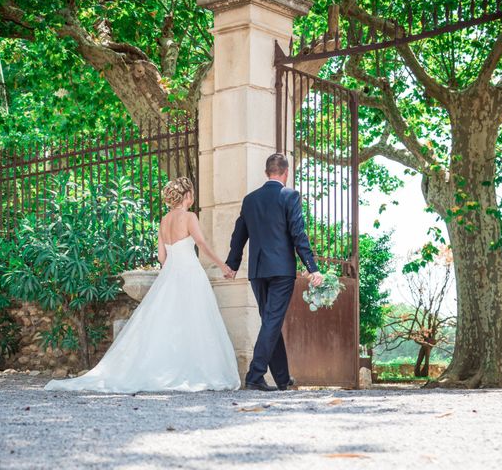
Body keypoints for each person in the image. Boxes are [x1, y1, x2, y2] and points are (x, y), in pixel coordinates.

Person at [45, 177, 240, 393]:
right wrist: (223, 266)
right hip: (190, 274)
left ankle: (167, 369)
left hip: (170, 275)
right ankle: (191, 369)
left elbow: (162, 257)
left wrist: (172, 271)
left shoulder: (164, 221)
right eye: (191, 193)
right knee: (195, 320)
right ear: (187, 196)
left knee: (167, 323)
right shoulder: (189, 217)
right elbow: (202, 244)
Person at [225, 153, 323, 391]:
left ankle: (281, 378)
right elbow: (298, 233)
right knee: (272, 321)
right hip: (281, 271)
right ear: (286, 173)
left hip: (258, 271)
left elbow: (239, 234)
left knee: (271, 321)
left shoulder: (250, 200)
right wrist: (312, 268)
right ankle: (255, 374)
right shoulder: (290, 196)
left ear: (266, 172)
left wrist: (232, 264)